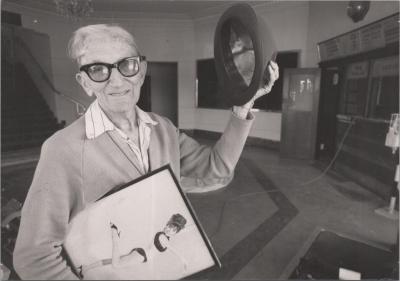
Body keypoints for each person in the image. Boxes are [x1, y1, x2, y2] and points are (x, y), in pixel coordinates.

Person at [13, 23, 279, 280]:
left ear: (140, 71)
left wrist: (244, 106)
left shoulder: (163, 129)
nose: (117, 81)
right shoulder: (63, 148)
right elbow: (34, 257)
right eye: (98, 70)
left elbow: (216, 169)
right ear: (85, 83)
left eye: (126, 65)